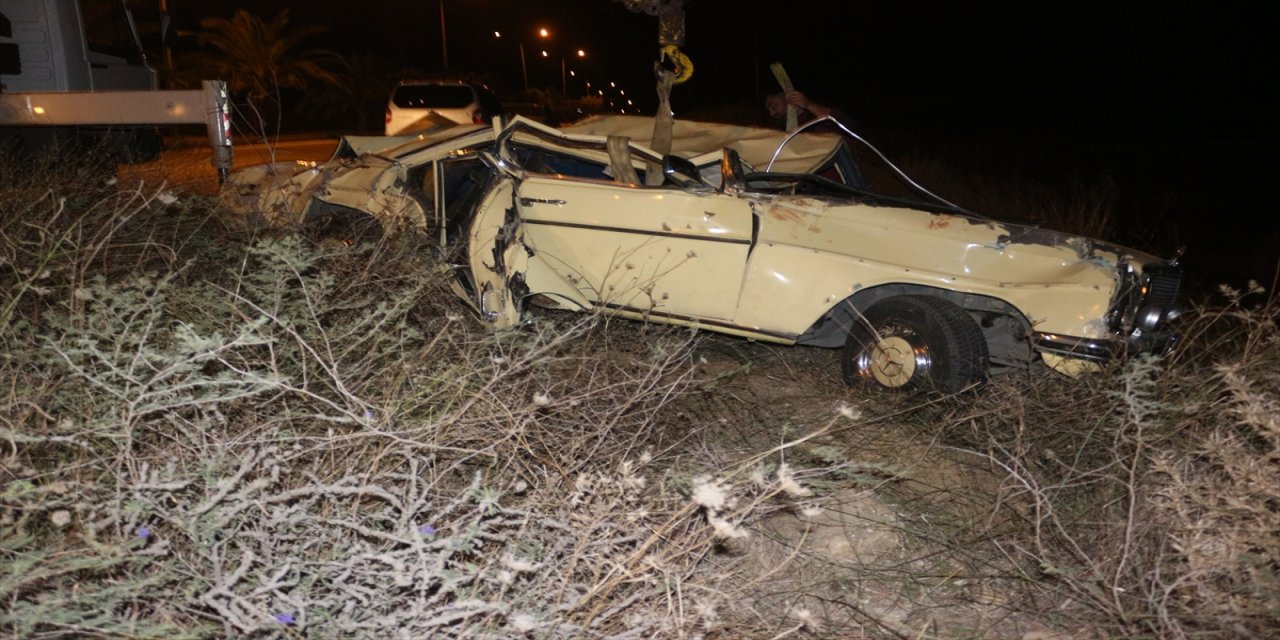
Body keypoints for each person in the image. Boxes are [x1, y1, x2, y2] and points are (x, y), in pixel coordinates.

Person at [764, 89, 855, 132]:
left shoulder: (814, 114)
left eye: (772, 105)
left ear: (786, 94)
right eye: (768, 110)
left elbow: (848, 126)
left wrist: (809, 105)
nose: (771, 113)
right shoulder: (783, 129)